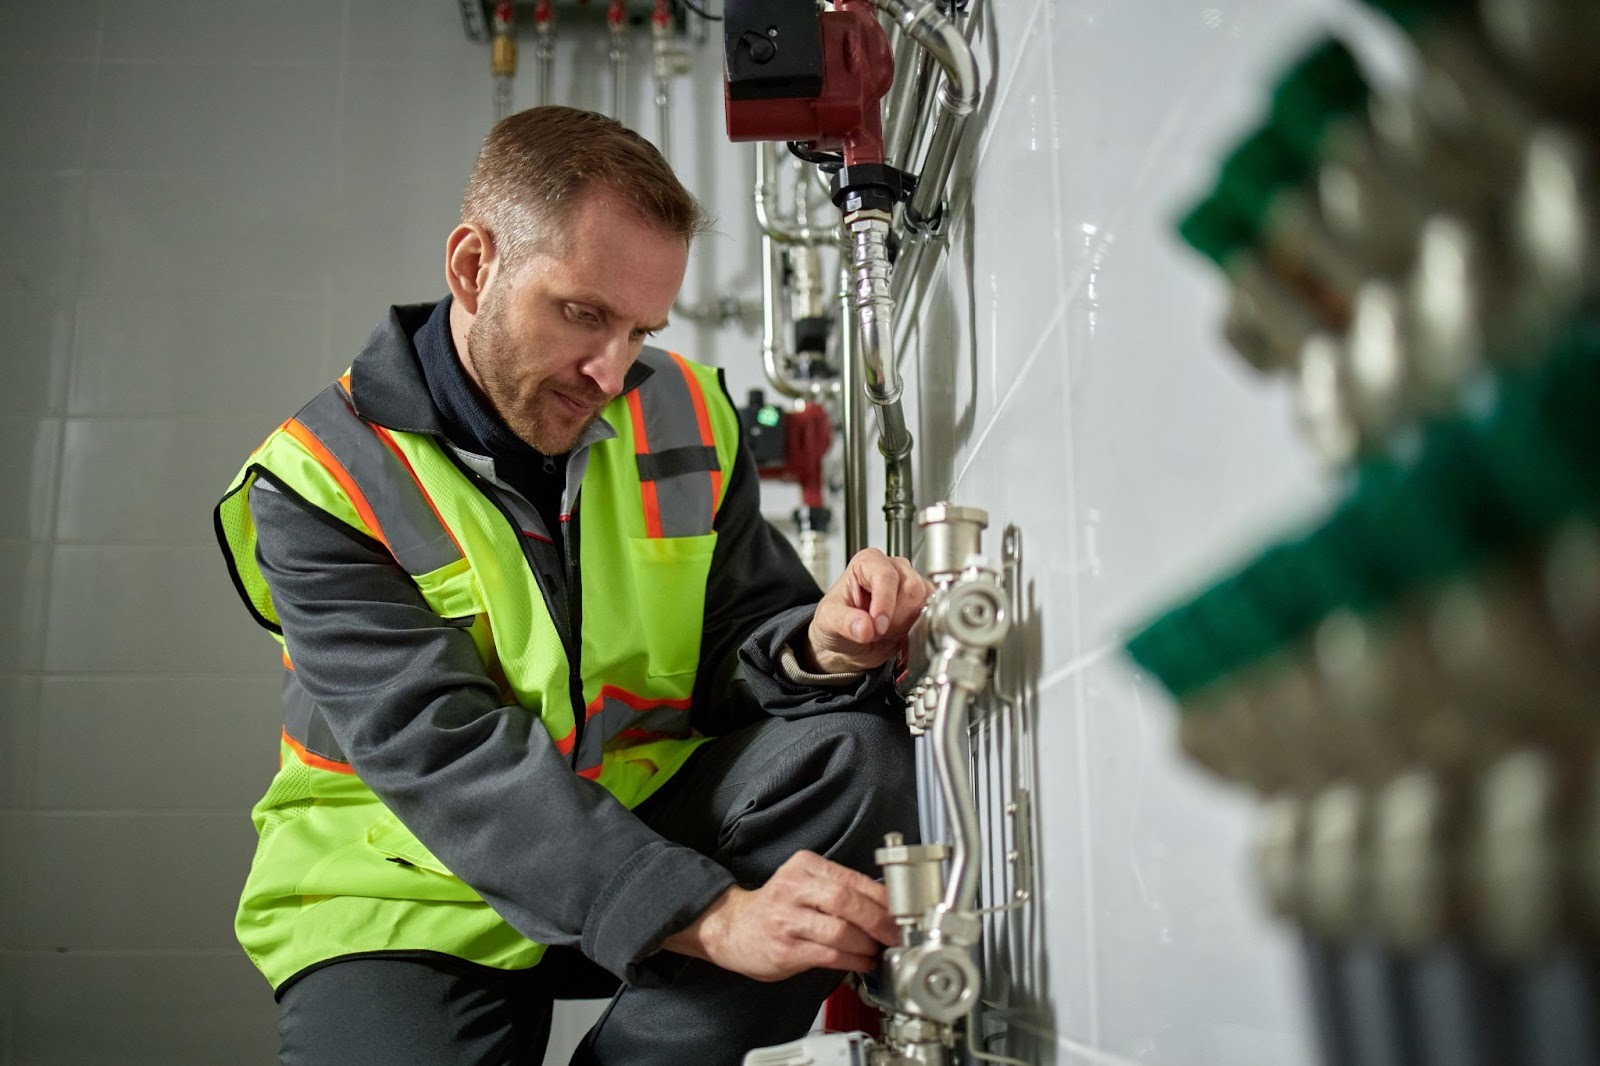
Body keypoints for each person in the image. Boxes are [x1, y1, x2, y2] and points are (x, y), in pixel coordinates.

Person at [213, 105, 928, 1065]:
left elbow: (737, 640)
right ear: (474, 266)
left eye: (639, 329)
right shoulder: (321, 482)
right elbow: (444, 754)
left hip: (643, 814)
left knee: (855, 758)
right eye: (583, 314)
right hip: (401, 880)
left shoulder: (680, 412)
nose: (611, 369)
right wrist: (709, 915)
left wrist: (818, 646)